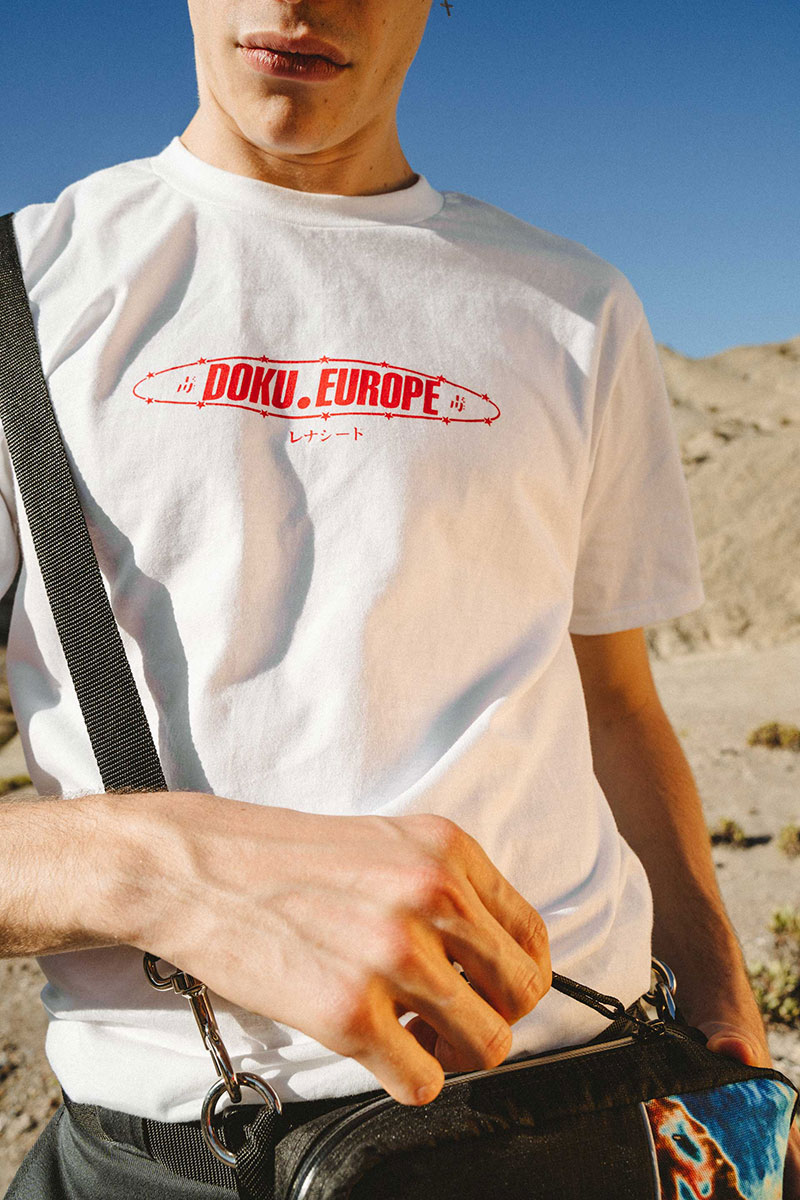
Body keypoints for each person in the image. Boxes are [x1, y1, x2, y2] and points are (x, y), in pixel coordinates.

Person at [2, 1, 797, 1197]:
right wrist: (156, 868)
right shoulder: (28, 291)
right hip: (180, 1146)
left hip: (573, 1100)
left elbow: (615, 699)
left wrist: (723, 993)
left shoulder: (573, 306)